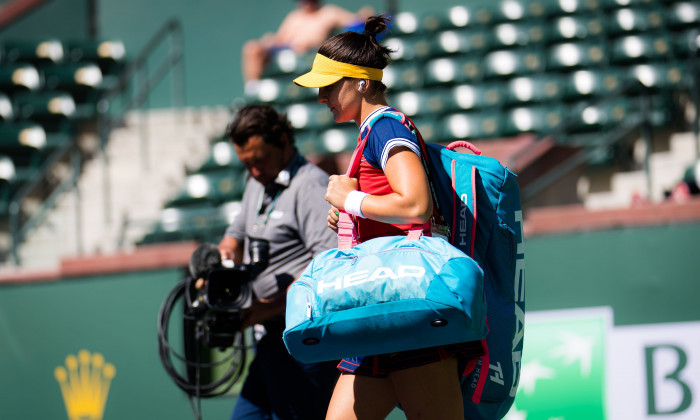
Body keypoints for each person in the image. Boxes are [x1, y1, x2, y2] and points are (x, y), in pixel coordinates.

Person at [293, 15, 485, 420]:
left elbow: (414, 204)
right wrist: (351, 211)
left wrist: (354, 200)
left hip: (407, 313)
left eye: (328, 86)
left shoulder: (385, 126)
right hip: (379, 311)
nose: (320, 97)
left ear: (361, 82)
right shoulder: (370, 132)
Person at [218, 104, 340, 420]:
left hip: (302, 341)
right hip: (269, 339)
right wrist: (229, 247)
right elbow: (237, 230)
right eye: (247, 164)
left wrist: (264, 308)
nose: (254, 171)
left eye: (259, 161)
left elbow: (327, 267)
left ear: (284, 141)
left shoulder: (310, 184)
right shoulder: (256, 183)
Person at [241, 0, 373, 93]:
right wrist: (269, 40)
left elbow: (355, 20)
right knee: (252, 48)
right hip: (289, 50)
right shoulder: (294, 17)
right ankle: (253, 92)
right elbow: (279, 39)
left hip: (314, 55)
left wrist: (365, 14)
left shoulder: (329, 12)